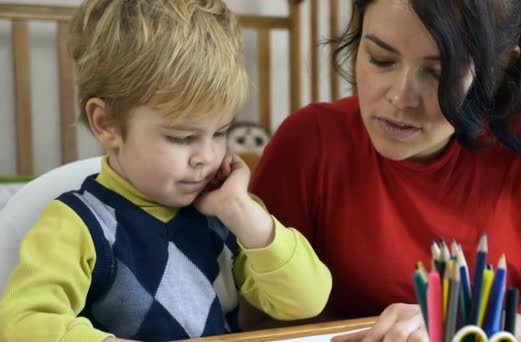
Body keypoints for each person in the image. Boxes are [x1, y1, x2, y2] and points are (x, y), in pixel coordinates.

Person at [250, 0, 521, 340]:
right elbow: (250, 323)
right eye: (380, 59)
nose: (400, 97)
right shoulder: (309, 145)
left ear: (499, 70)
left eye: (439, 73)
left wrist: (479, 324)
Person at [0, 1, 332, 341]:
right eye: (182, 138)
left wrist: (241, 209)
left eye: (220, 133)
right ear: (106, 123)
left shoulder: (226, 216)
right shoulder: (76, 223)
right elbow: (24, 320)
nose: (207, 156)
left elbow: (307, 301)